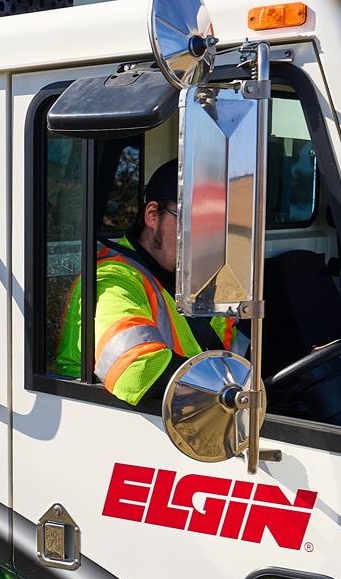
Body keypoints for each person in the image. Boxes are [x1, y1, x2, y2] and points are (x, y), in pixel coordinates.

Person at [53, 160, 247, 404]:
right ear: (153, 215)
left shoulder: (196, 279)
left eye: (219, 226)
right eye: (195, 222)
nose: (208, 239)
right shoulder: (112, 278)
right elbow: (137, 372)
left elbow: (234, 353)